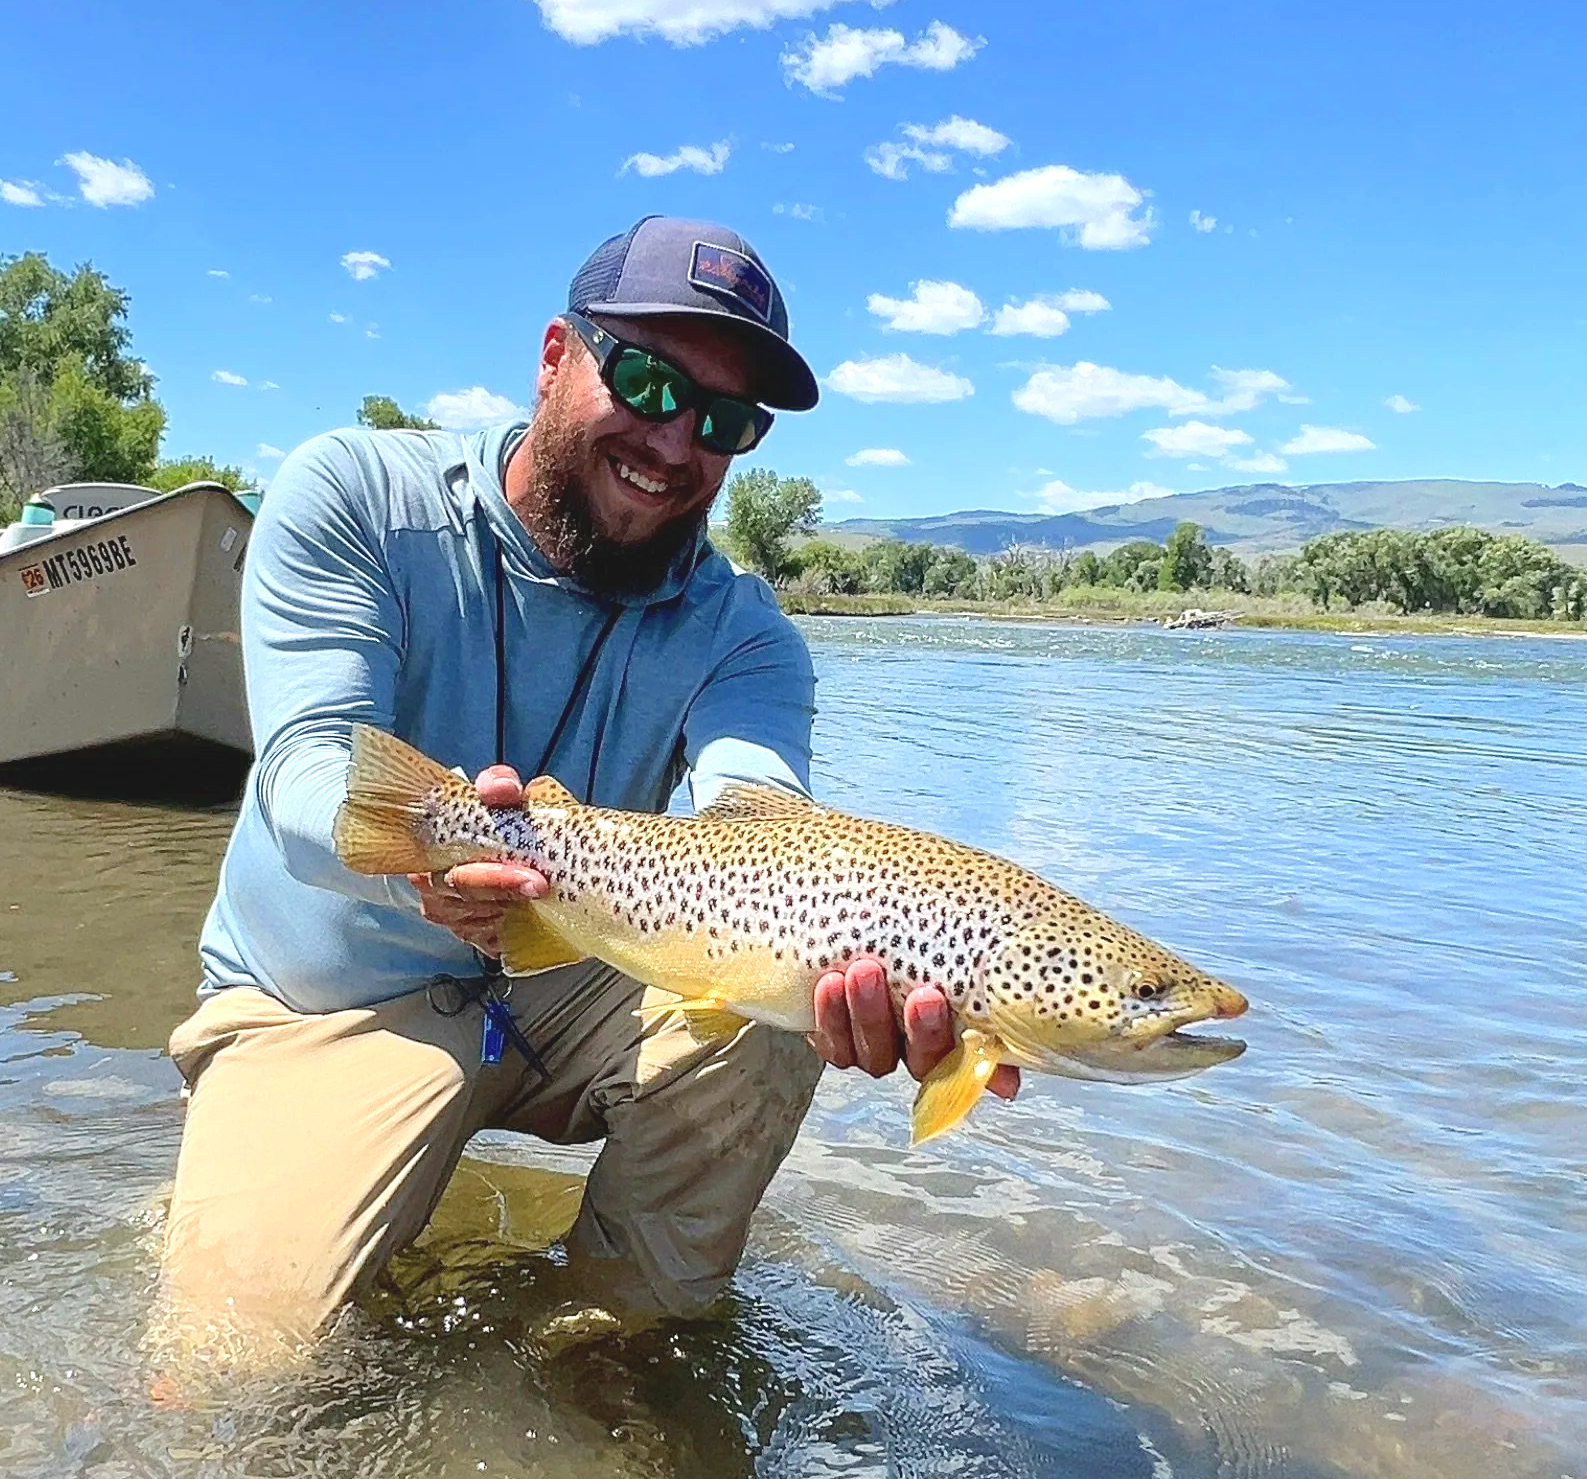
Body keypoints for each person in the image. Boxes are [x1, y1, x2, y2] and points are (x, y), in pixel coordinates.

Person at [159, 216, 1011, 1357]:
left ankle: (610, 1349)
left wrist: (898, 979)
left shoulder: (748, 638)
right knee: (230, 1377)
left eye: (723, 421)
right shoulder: (356, 495)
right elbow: (305, 769)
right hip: (330, 996)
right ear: (556, 355)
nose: (675, 442)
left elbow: (757, 824)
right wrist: (429, 852)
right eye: (651, 380)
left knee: (777, 1001)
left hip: (570, 974)